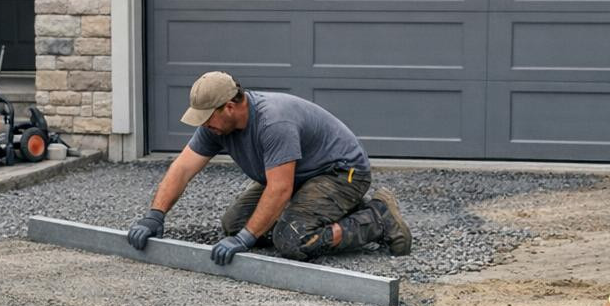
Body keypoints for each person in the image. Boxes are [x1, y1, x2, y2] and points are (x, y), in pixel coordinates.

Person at [126, 72, 412, 265]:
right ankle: (328, 210)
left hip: (341, 173)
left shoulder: (273, 122)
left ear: (229, 107)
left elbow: (280, 188)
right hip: (301, 175)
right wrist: (155, 216)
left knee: (291, 239)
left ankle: (377, 218)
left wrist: (247, 239)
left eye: (207, 117)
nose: (203, 124)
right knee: (234, 226)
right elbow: (183, 168)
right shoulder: (215, 127)